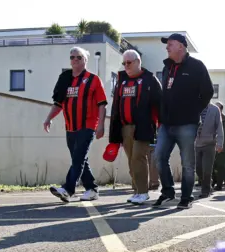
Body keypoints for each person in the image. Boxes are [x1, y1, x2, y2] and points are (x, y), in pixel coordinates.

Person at [153, 33, 214, 209]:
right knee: (158, 157)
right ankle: (168, 192)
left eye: (170, 44)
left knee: (187, 163)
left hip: (187, 124)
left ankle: (186, 197)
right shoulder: (167, 68)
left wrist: (194, 110)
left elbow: (208, 92)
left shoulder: (197, 66)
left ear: (181, 46)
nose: (167, 47)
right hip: (166, 124)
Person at [44, 46, 107, 203]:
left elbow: (102, 104)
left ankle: (68, 189)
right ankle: (92, 189)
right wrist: (48, 118)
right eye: (72, 57)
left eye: (78, 57)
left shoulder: (93, 79)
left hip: (88, 126)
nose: (75, 60)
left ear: (85, 60)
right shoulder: (66, 79)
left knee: (78, 158)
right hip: (70, 126)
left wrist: (101, 125)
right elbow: (58, 103)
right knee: (79, 159)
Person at [109, 50, 162, 205]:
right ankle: (137, 190)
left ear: (138, 61)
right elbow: (116, 105)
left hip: (143, 126)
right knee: (131, 160)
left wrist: (162, 125)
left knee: (138, 157)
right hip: (125, 127)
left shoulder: (150, 80)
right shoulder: (122, 81)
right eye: (124, 63)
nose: (126, 66)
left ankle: (143, 192)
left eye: (129, 62)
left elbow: (160, 104)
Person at [195, 103, 224, 198]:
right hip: (196, 143)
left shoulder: (215, 109)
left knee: (207, 168)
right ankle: (208, 182)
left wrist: (220, 143)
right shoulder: (194, 106)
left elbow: (219, 127)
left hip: (210, 144)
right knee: (198, 168)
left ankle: (205, 190)